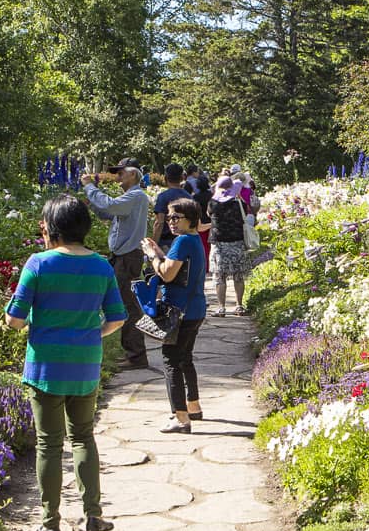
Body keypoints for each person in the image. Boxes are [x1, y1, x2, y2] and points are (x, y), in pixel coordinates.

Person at [5, 194, 126, 531]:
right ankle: (92, 516)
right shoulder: (101, 266)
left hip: (44, 368)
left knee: (49, 445)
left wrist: (27, 322)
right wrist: (89, 333)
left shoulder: (38, 264)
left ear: (53, 227)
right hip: (85, 366)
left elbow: (14, 319)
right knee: (84, 437)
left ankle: (50, 522)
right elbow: (117, 318)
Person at [142, 197, 208, 432]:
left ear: (190, 220)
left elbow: (168, 275)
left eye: (176, 217)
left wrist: (152, 255)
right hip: (196, 309)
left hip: (179, 312)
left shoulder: (182, 241)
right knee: (185, 358)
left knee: (170, 361)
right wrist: (160, 251)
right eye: (169, 217)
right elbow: (176, 266)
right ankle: (193, 406)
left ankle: (180, 418)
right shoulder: (193, 240)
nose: (170, 221)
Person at [81, 158, 152, 374]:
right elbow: (107, 212)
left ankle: (136, 355)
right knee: (122, 303)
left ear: (132, 174)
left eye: (120, 173)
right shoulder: (130, 197)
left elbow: (110, 206)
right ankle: (132, 352)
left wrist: (90, 187)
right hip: (122, 256)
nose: (118, 177)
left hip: (128, 257)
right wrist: (91, 201)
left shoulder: (136, 195)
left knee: (128, 306)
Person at [207, 170, 252, 316]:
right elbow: (248, 213)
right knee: (238, 276)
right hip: (237, 242)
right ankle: (239, 305)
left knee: (220, 277)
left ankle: (221, 307)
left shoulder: (213, 204)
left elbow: (209, 215)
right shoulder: (239, 203)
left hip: (219, 243)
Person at [151, 163, 190, 247]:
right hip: (186, 240)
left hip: (167, 243)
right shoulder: (189, 197)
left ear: (166, 178)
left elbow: (159, 222)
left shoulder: (163, 197)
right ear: (182, 178)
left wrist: (154, 245)